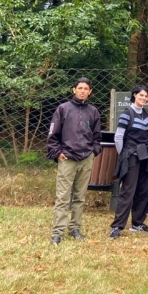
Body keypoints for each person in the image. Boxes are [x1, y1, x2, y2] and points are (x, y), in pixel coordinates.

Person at [47, 78, 101, 245]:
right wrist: (57, 153)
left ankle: (75, 228)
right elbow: (53, 134)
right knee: (63, 197)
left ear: (90, 91)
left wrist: (94, 151)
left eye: (86, 88)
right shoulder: (63, 109)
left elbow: (97, 136)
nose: (83, 91)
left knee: (80, 197)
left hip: (86, 159)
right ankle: (57, 232)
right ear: (74, 90)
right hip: (67, 158)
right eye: (80, 88)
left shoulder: (93, 111)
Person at [109, 85, 148, 239]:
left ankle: (138, 223)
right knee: (128, 191)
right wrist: (123, 154)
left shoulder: (147, 113)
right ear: (134, 95)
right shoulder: (127, 113)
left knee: (143, 190)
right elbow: (118, 136)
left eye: (146, 96)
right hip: (131, 155)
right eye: (141, 95)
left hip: (145, 154)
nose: (143, 98)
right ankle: (117, 226)